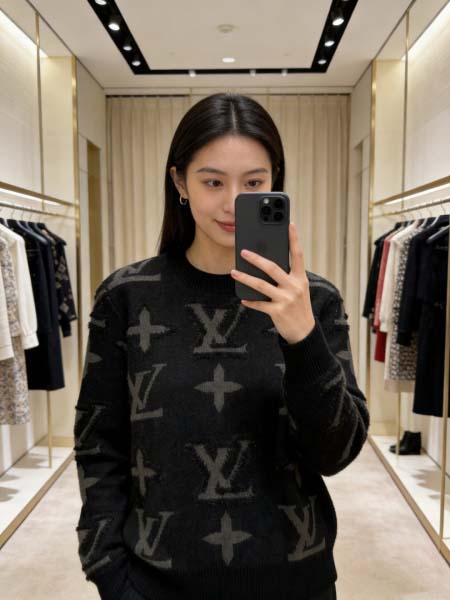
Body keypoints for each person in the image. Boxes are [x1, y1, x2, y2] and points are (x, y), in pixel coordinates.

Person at [74, 92, 370, 600]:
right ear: (179, 183)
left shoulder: (314, 300)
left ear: (274, 182)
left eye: (253, 183)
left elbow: (336, 454)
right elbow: (98, 444)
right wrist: (108, 571)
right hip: (155, 584)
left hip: (295, 583)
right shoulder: (126, 296)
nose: (233, 202)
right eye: (213, 182)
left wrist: (302, 337)